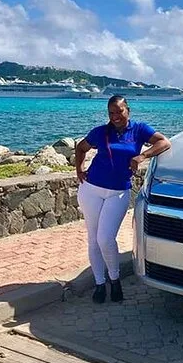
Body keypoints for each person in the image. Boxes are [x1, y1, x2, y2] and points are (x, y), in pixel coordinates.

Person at [75, 96, 171, 303]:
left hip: (118, 192)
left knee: (105, 238)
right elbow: (81, 148)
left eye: (119, 111)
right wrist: (79, 170)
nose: (115, 116)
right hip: (91, 189)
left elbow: (164, 142)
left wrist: (143, 156)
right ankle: (99, 284)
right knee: (93, 239)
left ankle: (115, 279)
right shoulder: (100, 132)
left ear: (128, 110)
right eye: (111, 113)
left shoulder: (139, 130)